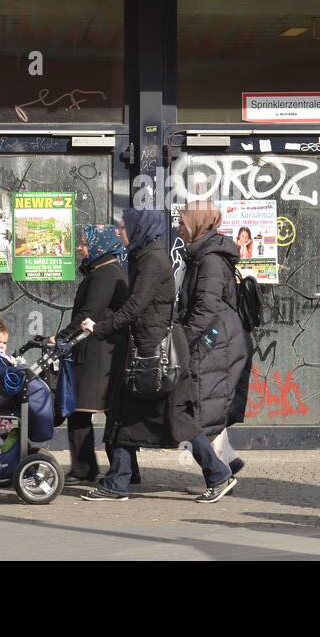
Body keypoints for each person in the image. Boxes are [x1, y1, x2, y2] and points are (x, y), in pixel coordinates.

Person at [79, 208, 222, 502]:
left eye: (123, 227)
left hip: (155, 355)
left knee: (175, 419)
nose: (119, 232)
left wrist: (99, 328)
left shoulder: (152, 261)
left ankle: (218, 474)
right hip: (146, 350)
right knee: (124, 415)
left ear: (138, 228)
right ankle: (118, 481)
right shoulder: (143, 256)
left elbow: (135, 307)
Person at [177, 202, 253, 490]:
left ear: (198, 224)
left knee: (200, 409)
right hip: (218, 339)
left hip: (215, 342)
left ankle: (219, 475)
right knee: (208, 406)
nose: (178, 228)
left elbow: (205, 308)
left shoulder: (209, 259)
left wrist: (181, 340)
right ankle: (226, 463)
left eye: (182, 222)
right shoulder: (204, 255)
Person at [56, 224, 130, 484]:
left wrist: (62, 336)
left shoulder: (105, 273)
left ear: (100, 245)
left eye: (85, 243)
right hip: (102, 350)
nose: (79, 247)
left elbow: (90, 312)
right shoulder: (105, 269)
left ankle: (87, 468)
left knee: (79, 409)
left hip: (99, 353)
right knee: (105, 411)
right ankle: (121, 471)